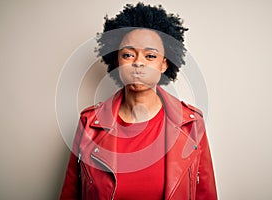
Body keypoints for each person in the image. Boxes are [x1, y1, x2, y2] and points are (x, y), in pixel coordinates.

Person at [60, 2, 217, 200]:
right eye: (128, 54)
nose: (138, 62)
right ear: (117, 61)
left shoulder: (192, 124)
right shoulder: (89, 123)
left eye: (150, 55)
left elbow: (207, 195)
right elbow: (70, 193)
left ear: (164, 64)